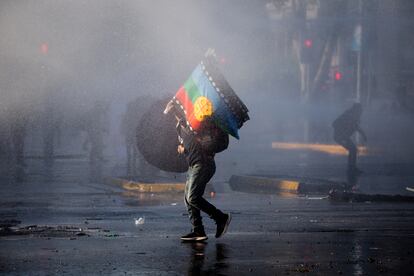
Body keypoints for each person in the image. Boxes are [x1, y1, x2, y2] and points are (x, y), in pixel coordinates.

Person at [164, 101, 231, 242]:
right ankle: (198, 230)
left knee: (193, 197)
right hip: (194, 164)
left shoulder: (193, 122)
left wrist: (175, 111)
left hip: (203, 164)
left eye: (174, 111)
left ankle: (221, 218)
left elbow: (198, 137)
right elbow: (191, 144)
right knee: (188, 199)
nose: (173, 115)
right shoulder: (180, 127)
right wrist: (183, 149)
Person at [332, 102, 367, 174]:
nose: (361, 112)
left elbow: (356, 127)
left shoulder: (353, 116)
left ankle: (352, 167)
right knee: (353, 149)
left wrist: (363, 135)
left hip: (343, 136)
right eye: (360, 110)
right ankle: (351, 168)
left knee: (353, 150)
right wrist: (342, 130)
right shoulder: (348, 115)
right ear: (356, 109)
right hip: (340, 137)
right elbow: (334, 123)